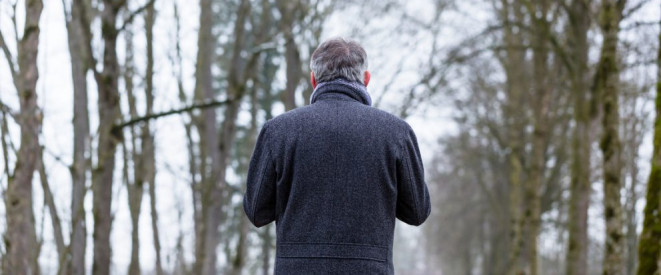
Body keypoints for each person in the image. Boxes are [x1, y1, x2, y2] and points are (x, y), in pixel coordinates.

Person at [243, 37, 431, 274]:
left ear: (314, 80)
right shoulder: (397, 134)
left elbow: (256, 211)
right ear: (366, 79)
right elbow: (417, 211)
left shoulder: (278, 131)